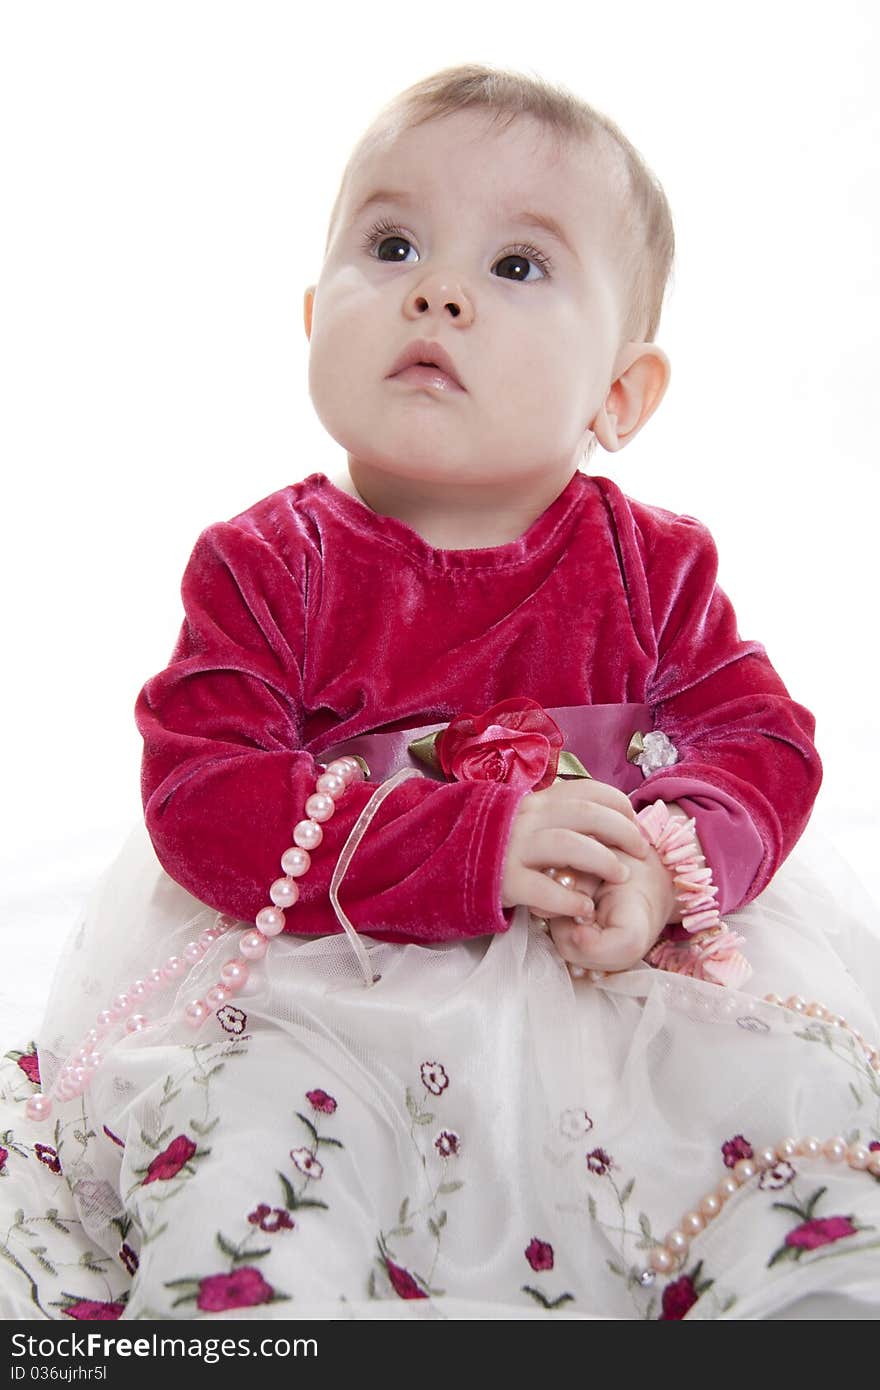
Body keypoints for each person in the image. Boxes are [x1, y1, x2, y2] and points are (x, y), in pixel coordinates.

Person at [4, 63, 879, 1323]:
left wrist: (661, 858)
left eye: (516, 267)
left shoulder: (653, 569)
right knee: (255, 1144)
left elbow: (758, 738)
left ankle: (807, 1293)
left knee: (775, 1110)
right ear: (314, 316)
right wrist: (472, 838)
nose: (438, 288)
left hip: (606, 989)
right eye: (393, 242)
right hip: (330, 987)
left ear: (618, 396)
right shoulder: (269, 567)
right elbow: (205, 793)